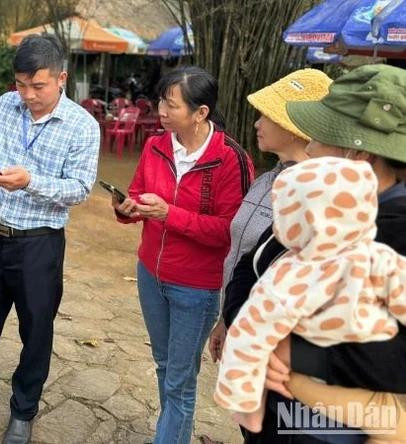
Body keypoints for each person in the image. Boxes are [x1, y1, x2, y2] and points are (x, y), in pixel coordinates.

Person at [223, 64, 406, 443]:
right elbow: (258, 261)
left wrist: (290, 352)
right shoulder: (337, 211)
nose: (308, 148)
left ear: (359, 155)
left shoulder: (392, 233)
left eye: (319, 138)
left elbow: (391, 359)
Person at [112, 66, 254, 444]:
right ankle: (172, 433)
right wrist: (128, 208)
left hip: (196, 288)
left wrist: (168, 214)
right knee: (165, 367)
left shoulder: (230, 160)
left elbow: (229, 231)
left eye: (170, 104)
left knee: (179, 379)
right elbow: (139, 193)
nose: (161, 109)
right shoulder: (155, 146)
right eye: (160, 100)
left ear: (201, 112)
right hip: (150, 274)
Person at [0, 33, 100, 444]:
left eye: (38, 86)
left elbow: (80, 188)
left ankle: (23, 411)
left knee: (36, 330)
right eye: (21, 85)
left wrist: (31, 182)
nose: (27, 95)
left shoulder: (82, 125)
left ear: (61, 78)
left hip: (39, 243)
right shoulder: (5, 105)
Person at [208, 69, 332, 362]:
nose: (256, 123)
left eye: (266, 116)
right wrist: (226, 318)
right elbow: (243, 258)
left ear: (292, 127)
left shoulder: (314, 194)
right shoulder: (265, 181)